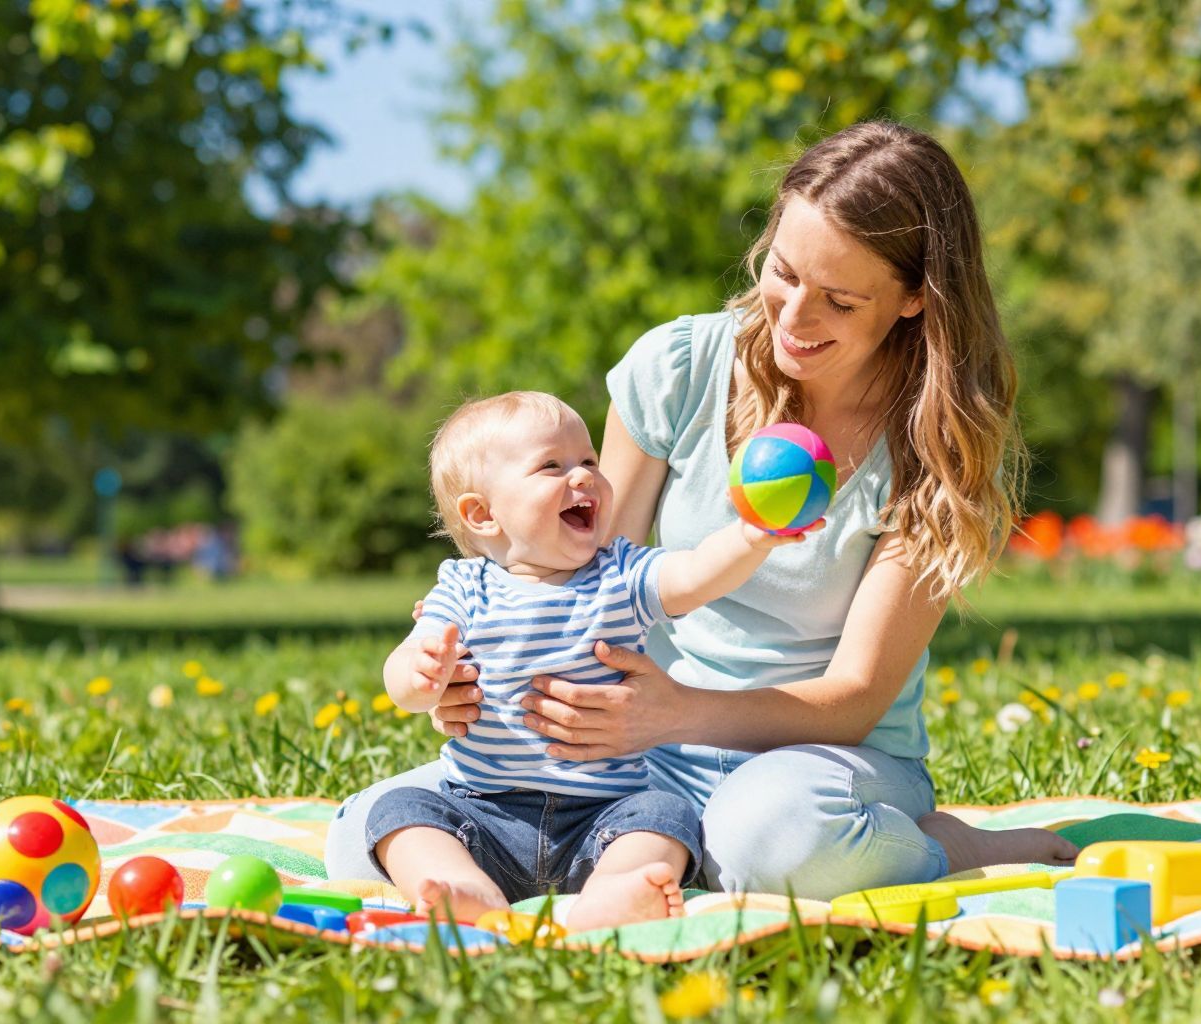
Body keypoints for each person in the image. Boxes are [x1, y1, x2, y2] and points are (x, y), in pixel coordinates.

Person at [326, 120, 1077, 900]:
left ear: (915, 298)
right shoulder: (680, 367)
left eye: (840, 300)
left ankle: (939, 845)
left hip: (818, 760)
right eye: (783, 274)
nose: (792, 317)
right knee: (367, 830)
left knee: (767, 843)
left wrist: (676, 712)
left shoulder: (932, 451)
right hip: (644, 749)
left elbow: (854, 699)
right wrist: (469, 668)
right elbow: (580, 571)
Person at [369, 391, 818, 930]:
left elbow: (695, 574)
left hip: (602, 821)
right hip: (483, 813)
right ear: (483, 514)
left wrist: (753, 537)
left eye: (588, 461)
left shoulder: (621, 575)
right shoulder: (463, 587)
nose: (582, 476)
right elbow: (403, 670)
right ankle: (467, 888)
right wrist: (419, 675)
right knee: (398, 812)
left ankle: (613, 895)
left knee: (666, 816)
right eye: (551, 466)